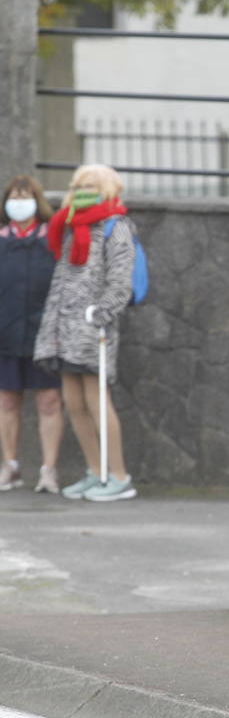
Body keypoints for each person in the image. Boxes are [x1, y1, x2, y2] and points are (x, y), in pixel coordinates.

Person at [32, 164, 138, 502]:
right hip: (64, 328)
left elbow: (121, 280)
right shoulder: (68, 226)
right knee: (73, 401)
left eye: (90, 185)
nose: (81, 190)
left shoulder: (115, 226)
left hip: (93, 328)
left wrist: (102, 313)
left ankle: (119, 475)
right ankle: (96, 470)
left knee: (96, 400)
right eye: (78, 185)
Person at [0, 176, 63, 494]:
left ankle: (48, 470)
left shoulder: (52, 238)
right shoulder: (1, 239)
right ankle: (10, 466)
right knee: (8, 400)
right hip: (6, 333)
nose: (19, 201)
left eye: (25, 196)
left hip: (44, 333)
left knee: (50, 401)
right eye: (14, 196)